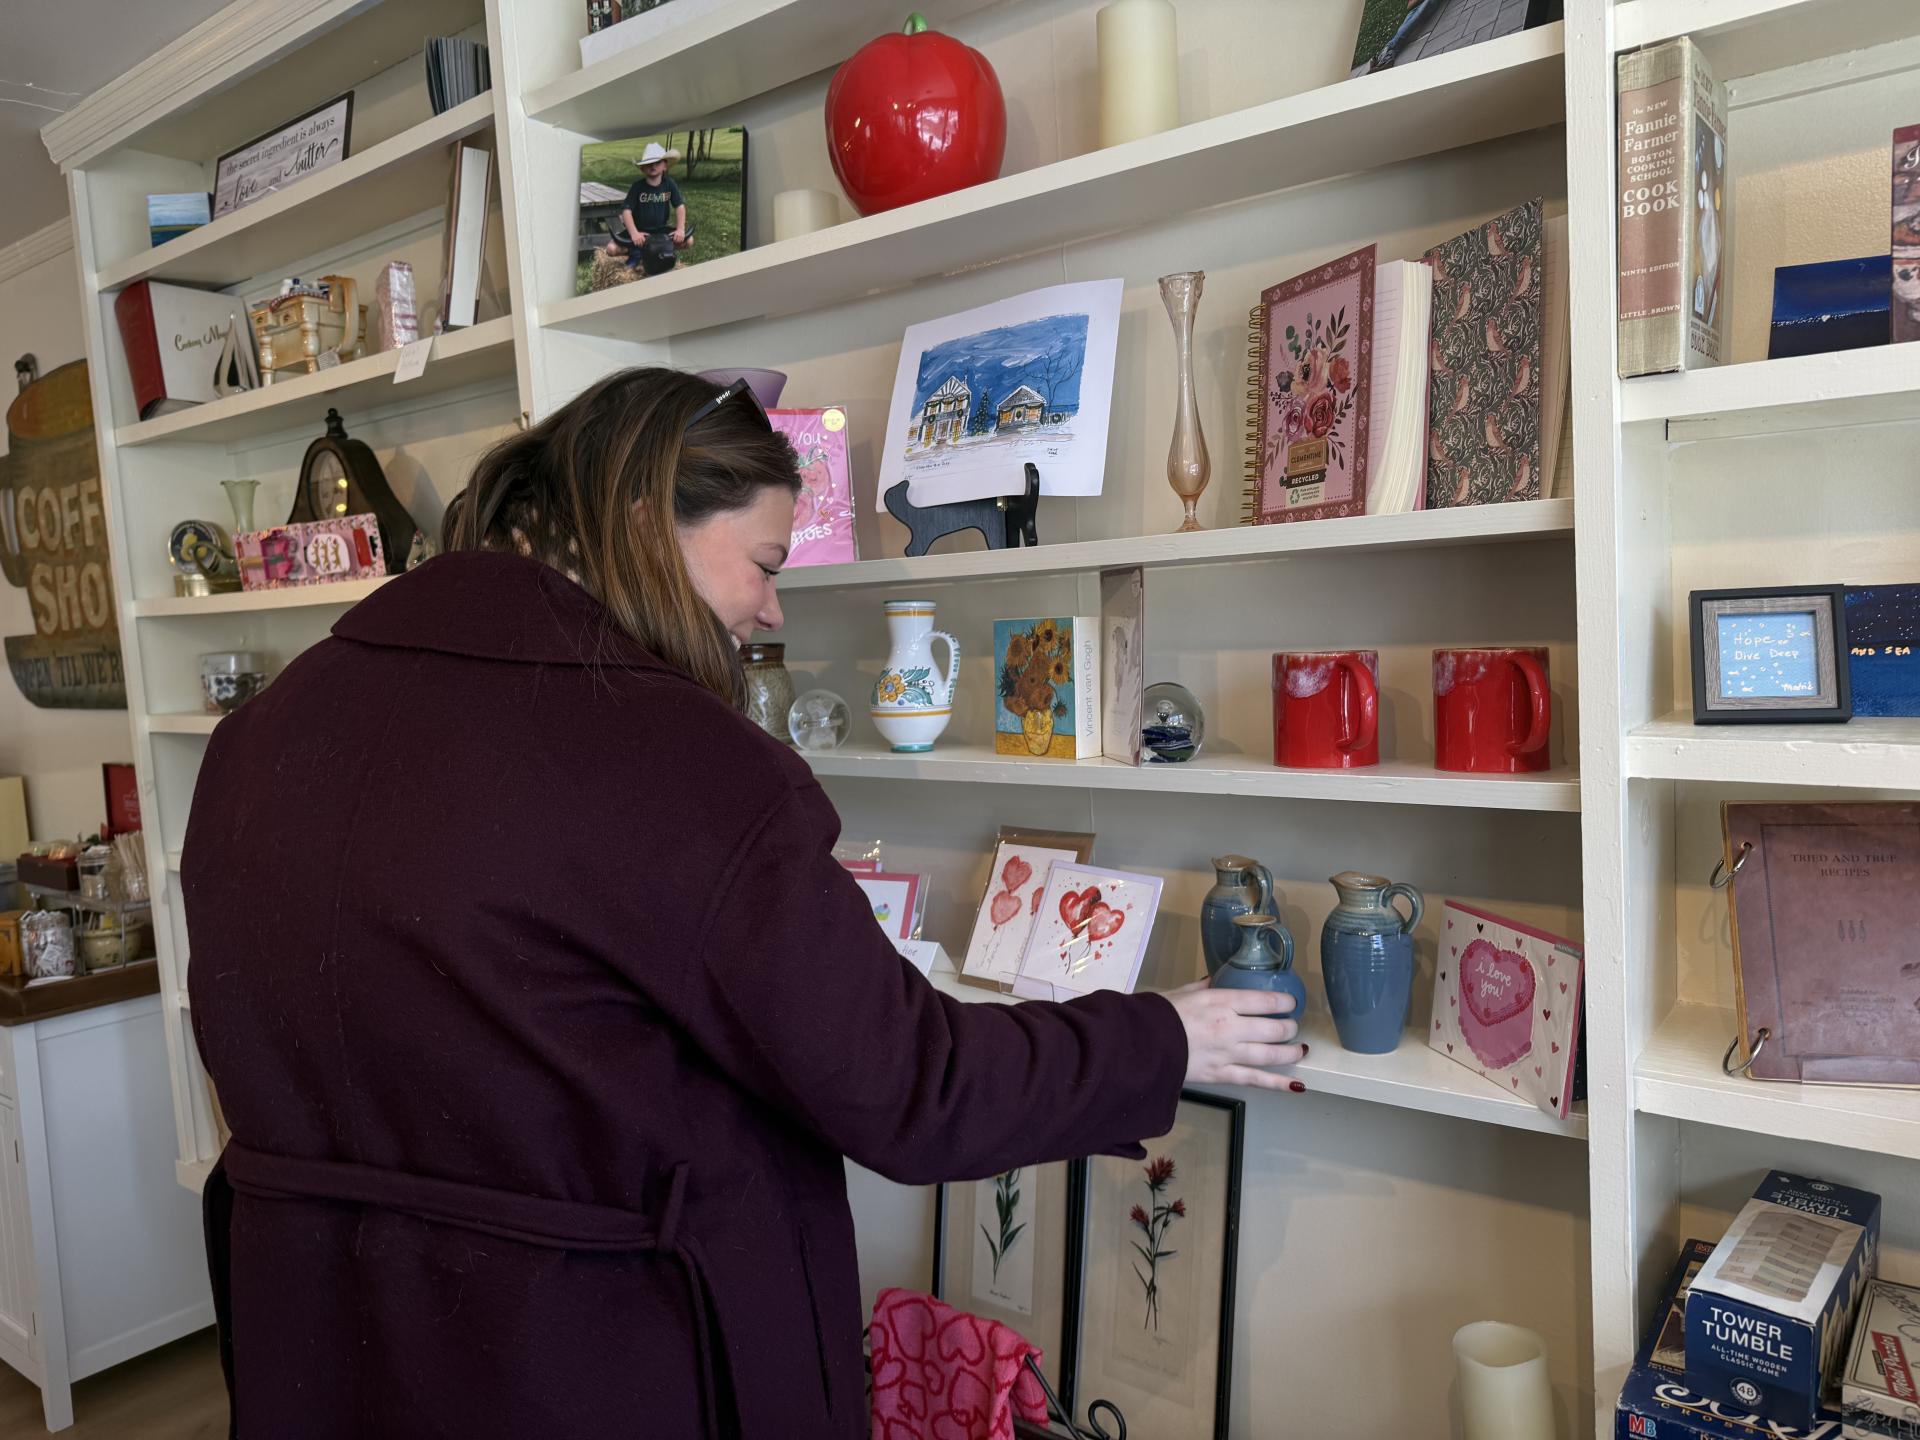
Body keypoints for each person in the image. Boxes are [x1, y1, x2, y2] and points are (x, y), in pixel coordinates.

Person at [183, 367, 1305, 1438]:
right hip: (593, 1368)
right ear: (640, 525)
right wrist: (1163, 1036)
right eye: (766, 562)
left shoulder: (260, 736)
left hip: (317, 1356)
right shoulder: (678, 764)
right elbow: (912, 1087)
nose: (770, 609)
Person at [605, 140, 688, 273]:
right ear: (642, 168)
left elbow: (679, 206)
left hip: (661, 231)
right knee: (611, 249)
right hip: (640, 232)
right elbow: (626, 211)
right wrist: (634, 233)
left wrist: (680, 229)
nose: (653, 166)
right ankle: (637, 252)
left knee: (689, 241)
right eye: (648, 164)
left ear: (665, 166)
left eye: (657, 162)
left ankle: (661, 251)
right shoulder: (637, 187)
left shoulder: (669, 184)